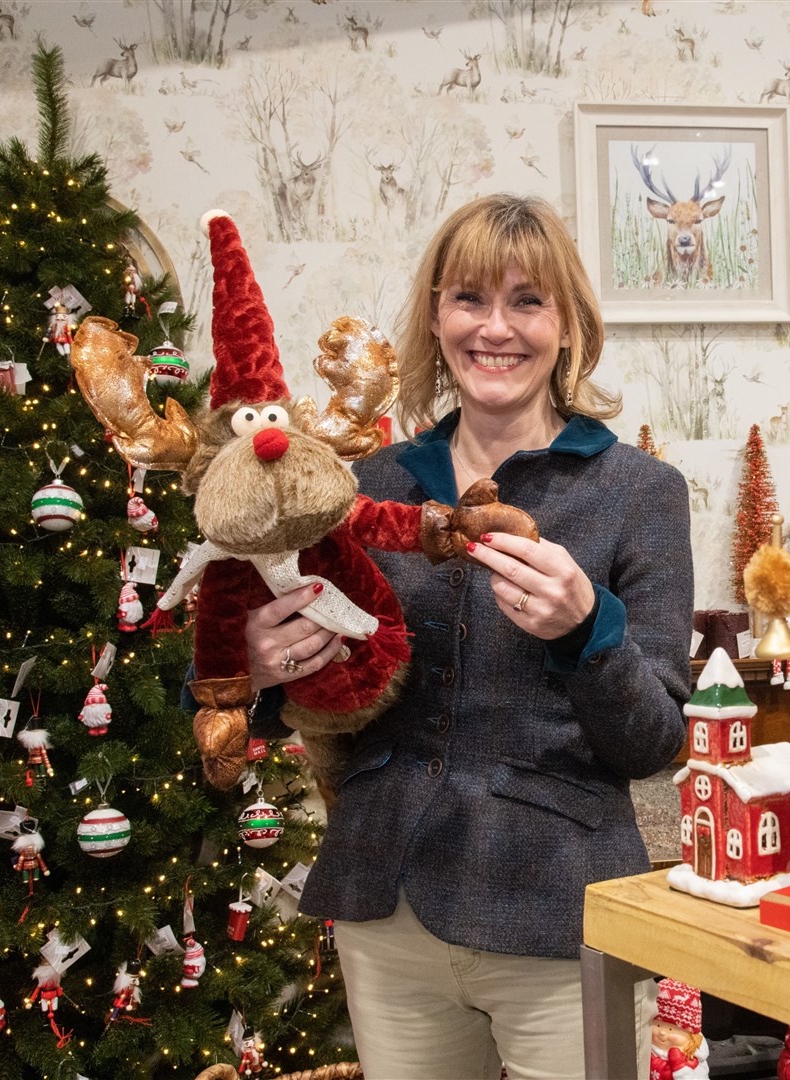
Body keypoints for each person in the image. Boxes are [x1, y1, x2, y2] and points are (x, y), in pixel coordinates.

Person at [238, 194, 693, 1078]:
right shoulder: (363, 486)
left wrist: (585, 630)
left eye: (528, 301)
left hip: (562, 912)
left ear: (569, 326)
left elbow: (655, 743)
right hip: (388, 906)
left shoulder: (640, 492)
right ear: (437, 317)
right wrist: (262, 671)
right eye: (469, 299)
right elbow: (298, 691)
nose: (497, 328)